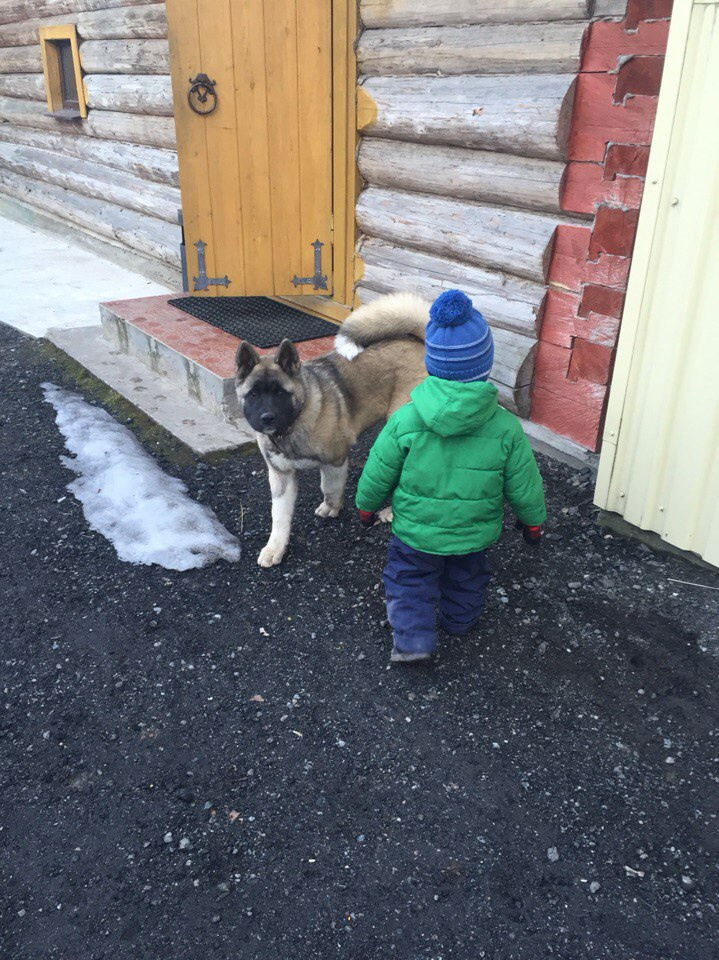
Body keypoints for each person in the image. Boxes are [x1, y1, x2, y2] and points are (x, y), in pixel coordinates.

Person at [355, 289, 546, 663]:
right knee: (468, 576)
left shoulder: (406, 419)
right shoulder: (506, 428)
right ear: (484, 364)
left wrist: (366, 507)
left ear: (432, 363)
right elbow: (525, 483)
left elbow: (378, 469)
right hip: (473, 532)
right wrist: (533, 522)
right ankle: (460, 621)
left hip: (416, 532)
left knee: (408, 579)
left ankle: (412, 640)